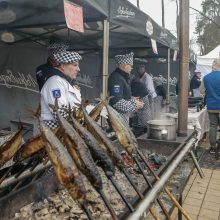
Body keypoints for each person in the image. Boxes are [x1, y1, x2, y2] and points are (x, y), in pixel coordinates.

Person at [40, 49, 82, 129]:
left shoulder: (64, 81)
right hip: (55, 131)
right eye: (75, 65)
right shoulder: (55, 82)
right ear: (63, 66)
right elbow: (60, 113)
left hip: (68, 129)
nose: (78, 69)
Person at [108, 52, 144, 126]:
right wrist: (134, 105)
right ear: (124, 65)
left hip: (122, 116)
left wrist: (132, 99)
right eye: (130, 66)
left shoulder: (122, 77)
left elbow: (123, 96)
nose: (132, 68)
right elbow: (117, 102)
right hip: (117, 117)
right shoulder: (116, 78)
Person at [200, 58, 220, 156]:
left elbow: (201, 91)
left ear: (213, 65)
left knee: (213, 126)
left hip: (212, 105)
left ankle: (213, 146)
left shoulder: (206, 77)